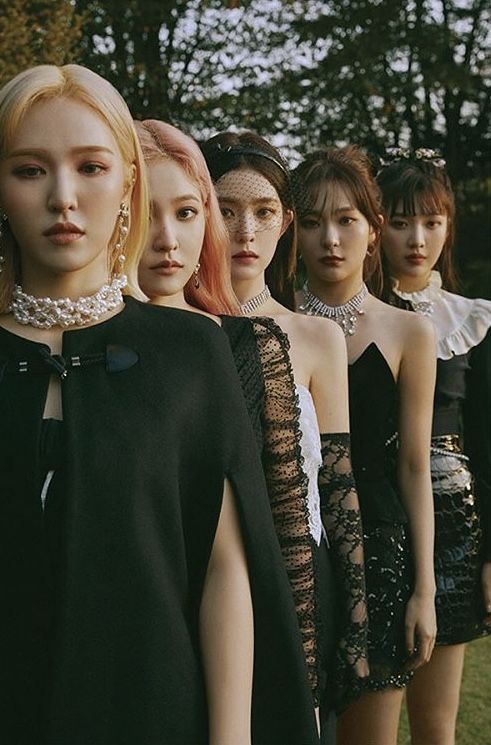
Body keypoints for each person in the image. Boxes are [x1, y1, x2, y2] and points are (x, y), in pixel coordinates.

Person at [0, 65, 320, 745]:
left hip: (155, 710)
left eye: (90, 166)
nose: (63, 196)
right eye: (29, 170)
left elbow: (225, 566)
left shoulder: (188, 351)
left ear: (125, 186)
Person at [136, 118, 324, 720]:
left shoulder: (239, 346)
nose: (168, 237)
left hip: (241, 616)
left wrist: (304, 671)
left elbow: (287, 522)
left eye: (188, 213)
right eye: (147, 211)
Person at [201, 131, 370, 736]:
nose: (245, 231)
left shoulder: (317, 337)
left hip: (299, 570)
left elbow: (339, 483)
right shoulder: (170, 329)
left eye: (263, 212)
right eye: (225, 210)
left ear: (286, 223)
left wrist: (352, 619)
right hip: (198, 573)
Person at [292, 145, 437, 745]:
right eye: (311, 221)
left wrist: (425, 589)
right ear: (290, 233)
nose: (331, 237)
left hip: (382, 548)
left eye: (347, 219)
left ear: (373, 232)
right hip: (296, 541)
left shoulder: (410, 331)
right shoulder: (272, 323)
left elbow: (413, 466)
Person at [377, 147, 491, 745]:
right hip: (373, 509)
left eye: (431, 221)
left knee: (434, 725)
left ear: (448, 225)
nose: (417, 238)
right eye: (400, 221)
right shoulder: (349, 315)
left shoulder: (473, 320)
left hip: (455, 521)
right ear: (378, 226)